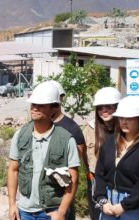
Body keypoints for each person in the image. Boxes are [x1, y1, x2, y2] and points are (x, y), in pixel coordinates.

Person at [8, 83, 80, 220]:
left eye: (41, 105)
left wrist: (61, 212)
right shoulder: (20, 135)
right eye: (33, 104)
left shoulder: (66, 139)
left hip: (51, 212)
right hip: (24, 212)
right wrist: (12, 204)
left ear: (53, 108)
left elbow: (73, 179)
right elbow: (13, 170)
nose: (35, 108)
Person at [93, 95, 139, 220]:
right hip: (108, 203)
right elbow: (99, 174)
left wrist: (125, 205)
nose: (124, 122)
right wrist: (102, 200)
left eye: (129, 118)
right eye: (121, 118)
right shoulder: (109, 143)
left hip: (135, 206)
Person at [46, 80, 87, 220]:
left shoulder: (72, 128)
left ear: (60, 100)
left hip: (62, 194)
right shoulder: (38, 126)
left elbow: (76, 161)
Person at [81, 87, 121, 220]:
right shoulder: (89, 129)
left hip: (118, 184)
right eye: (100, 107)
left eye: (108, 107)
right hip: (95, 182)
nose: (104, 111)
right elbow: (83, 158)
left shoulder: (125, 129)